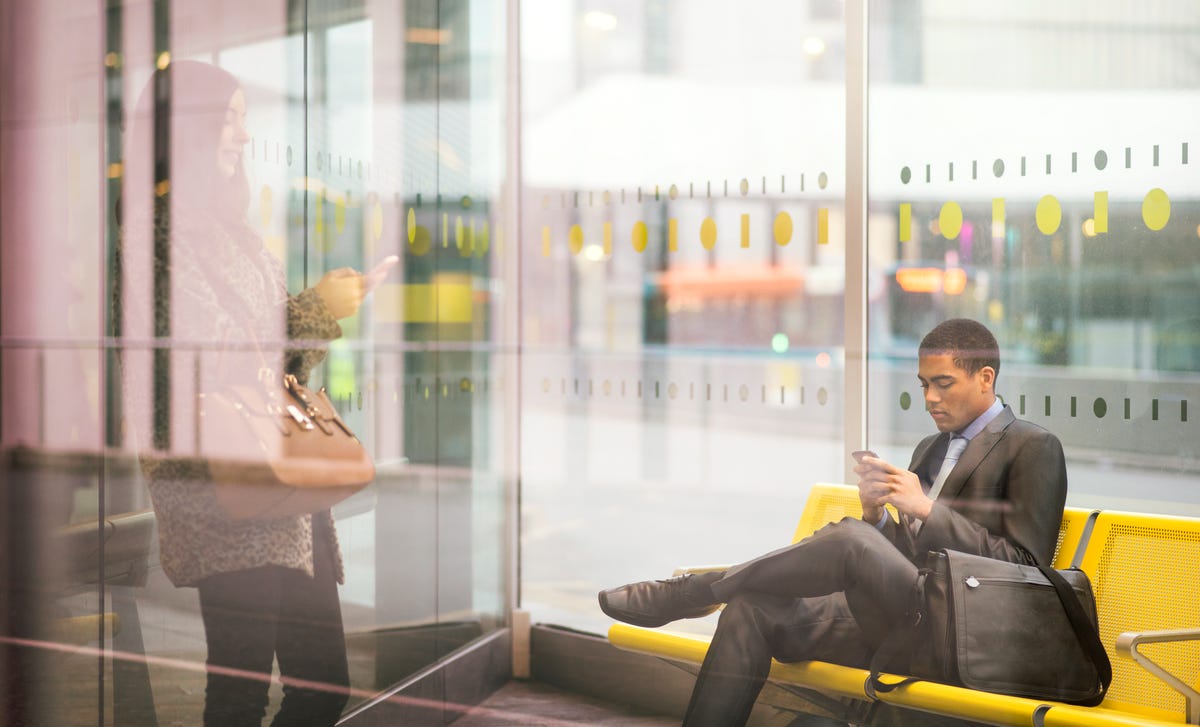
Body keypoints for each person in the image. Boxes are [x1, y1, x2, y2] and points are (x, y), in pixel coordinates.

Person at [598, 318, 1068, 727]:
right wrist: (877, 516)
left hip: (964, 633)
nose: (929, 397)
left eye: (942, 383)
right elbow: (903, 556)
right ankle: (720, 593)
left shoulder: (1030, 446)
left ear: (985, 378)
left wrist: (925, 509)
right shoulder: (932, 448)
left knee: (850, 540)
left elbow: (1027, 566)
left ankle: (699, 591)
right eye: (923, 384)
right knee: (753, 607)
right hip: (900, 619)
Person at [117, 60, 386, 726]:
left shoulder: (236, 236)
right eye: (230, 119)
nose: (242, 136)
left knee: (322, 685)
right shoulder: (152, 242)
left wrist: (328, 307)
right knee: (240, 690)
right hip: (223, 492)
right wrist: (316, 308)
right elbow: (217, 358)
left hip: (283, 490)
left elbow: (278, 358)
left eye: (244, 118)